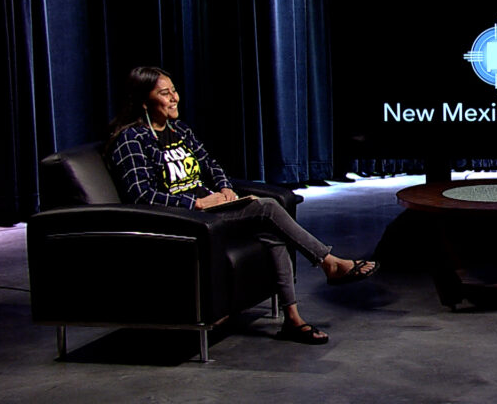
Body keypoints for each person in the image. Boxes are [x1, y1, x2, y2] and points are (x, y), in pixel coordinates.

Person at [106, 66, 378, 345]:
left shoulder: (180, 130)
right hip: (188, 219)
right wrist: (196, 202)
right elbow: (141, 195)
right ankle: (329, 262)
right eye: (165, 93)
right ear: (143, 101)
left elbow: (210, 165)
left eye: (174, 90)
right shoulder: (131, 140)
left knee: (273, 232)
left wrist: (225, 187)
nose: (174, 98)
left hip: (212, 210)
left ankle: (293, 320)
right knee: (269, 208)